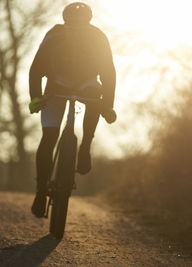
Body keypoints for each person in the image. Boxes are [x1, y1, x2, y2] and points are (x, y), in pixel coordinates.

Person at [28, 2, 117, 218]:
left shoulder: (98, 38)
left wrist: (108, 105)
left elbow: (108, 74)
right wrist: (36, 98)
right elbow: (36, 69)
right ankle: (41, 193)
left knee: (95, 96)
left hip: (87, 82)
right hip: (56, 86)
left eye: (81, 25)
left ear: (88, 23)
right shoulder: (54, 35)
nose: (76, 28)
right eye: (71, 24)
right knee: (49, 137)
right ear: (65, 22)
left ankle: (85, 146)